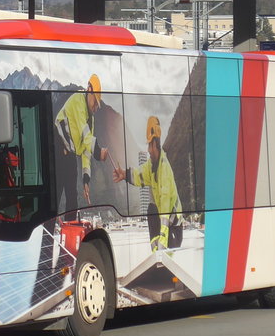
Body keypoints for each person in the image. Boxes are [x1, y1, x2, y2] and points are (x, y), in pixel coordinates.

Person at [113, 115, 184, 249]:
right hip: (164, 223)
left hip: (174, 227)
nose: (148, 150)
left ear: (156, 144)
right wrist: (124, 174)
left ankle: (159, 247)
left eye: (150, 145)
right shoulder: (151, 166)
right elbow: (139, 175)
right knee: (151, 208)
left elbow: (165, 209)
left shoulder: (164, 169)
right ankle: (155, 247)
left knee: (156, 211)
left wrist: (163, 240)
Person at [54, 74, 109, 210]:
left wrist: (86, 179)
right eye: (95, 101)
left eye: (97, 104)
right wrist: (98, 152)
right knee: (56, 194)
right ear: (89, 90)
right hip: (57, 147)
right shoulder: (78, 100)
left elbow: (86, 149)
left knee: (73, 197)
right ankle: (46, 230)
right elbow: (86, 135)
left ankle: (70, 229)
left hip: (70, 153)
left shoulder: (91, 119)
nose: (96, 106)